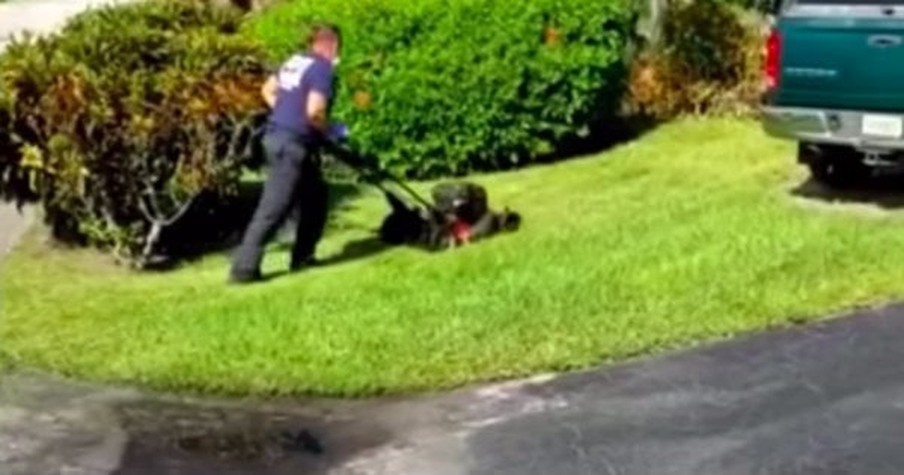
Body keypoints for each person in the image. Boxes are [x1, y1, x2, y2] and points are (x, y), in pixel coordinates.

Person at [229, 23, 345, 284]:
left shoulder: (294, 61)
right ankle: (243, 269)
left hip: (281, 138)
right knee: (274, 207)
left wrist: (285, 114)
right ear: (333, 45)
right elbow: (315, 112)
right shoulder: (322, 68)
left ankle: (302, 258)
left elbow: (268, 90)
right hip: (290, 145)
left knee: (315, 198)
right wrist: (333, 130)